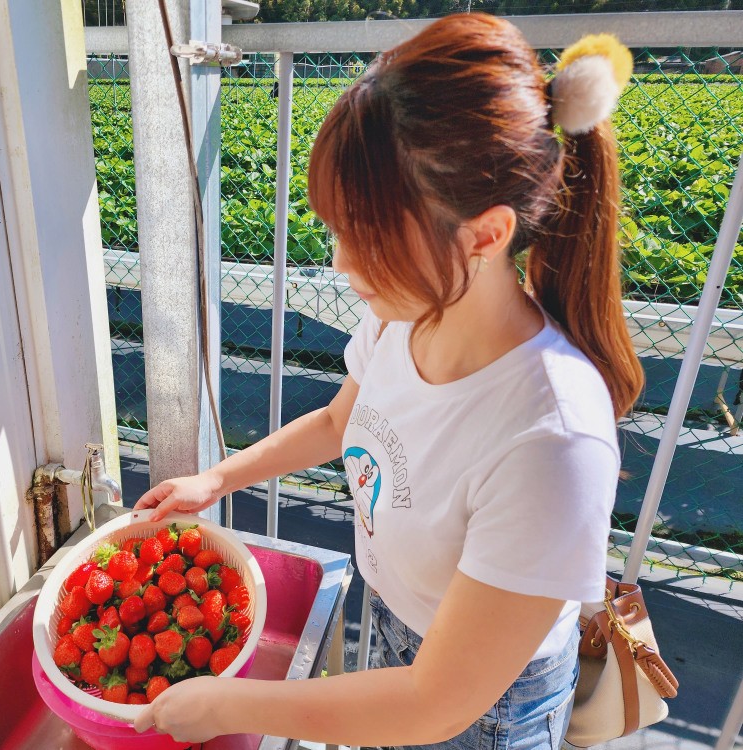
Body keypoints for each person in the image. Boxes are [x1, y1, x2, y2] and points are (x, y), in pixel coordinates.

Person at [132, 13, 644, 749]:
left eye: (366, 236)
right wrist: (216, 481)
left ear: (485, 235)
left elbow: (436, 704)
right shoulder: (406, 315)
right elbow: (341, 422)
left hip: (481, 710)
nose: (341, 263)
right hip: (397, 622)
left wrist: (226, 705)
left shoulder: (552, 442)